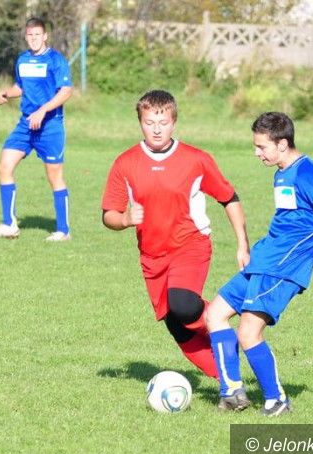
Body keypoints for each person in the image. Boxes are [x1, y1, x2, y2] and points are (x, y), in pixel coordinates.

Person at [205, 112, 313, 416]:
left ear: (282, 144)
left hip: (282, 267)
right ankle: (232, 392)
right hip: (265, 258)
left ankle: (276, 400)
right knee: (214, 314)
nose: (257, 153)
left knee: (248, 333)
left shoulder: (307, 173)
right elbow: (306, 214)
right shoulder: (281, 171)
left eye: (261, 147)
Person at [101, 90, 250, 380]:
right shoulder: (125, 163)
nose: (156, 129)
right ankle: (229, 381)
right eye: (149, 122)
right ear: (140, 122)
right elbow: (108, 215)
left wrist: (242, 245)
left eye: (163, 122)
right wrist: (125, 219)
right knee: (177, 324)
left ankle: (221, 325)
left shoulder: (196, 159)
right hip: (152, 256)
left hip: (190, 245)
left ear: (174, 122)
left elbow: (229, 198)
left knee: (183, 305)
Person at [0, 17, 73, 242]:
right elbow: (21, 86)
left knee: (54, 176)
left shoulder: (56, 60)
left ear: (45, 36)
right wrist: (7, 93)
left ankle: (63, 231)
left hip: (50, 125)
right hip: (25, 124)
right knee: (4, 165)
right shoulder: (22, 60)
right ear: (26, 37)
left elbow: (66, 91)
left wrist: (43, 110)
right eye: (30, 35)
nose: (34, 39)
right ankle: (9, 224)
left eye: (37, 35)